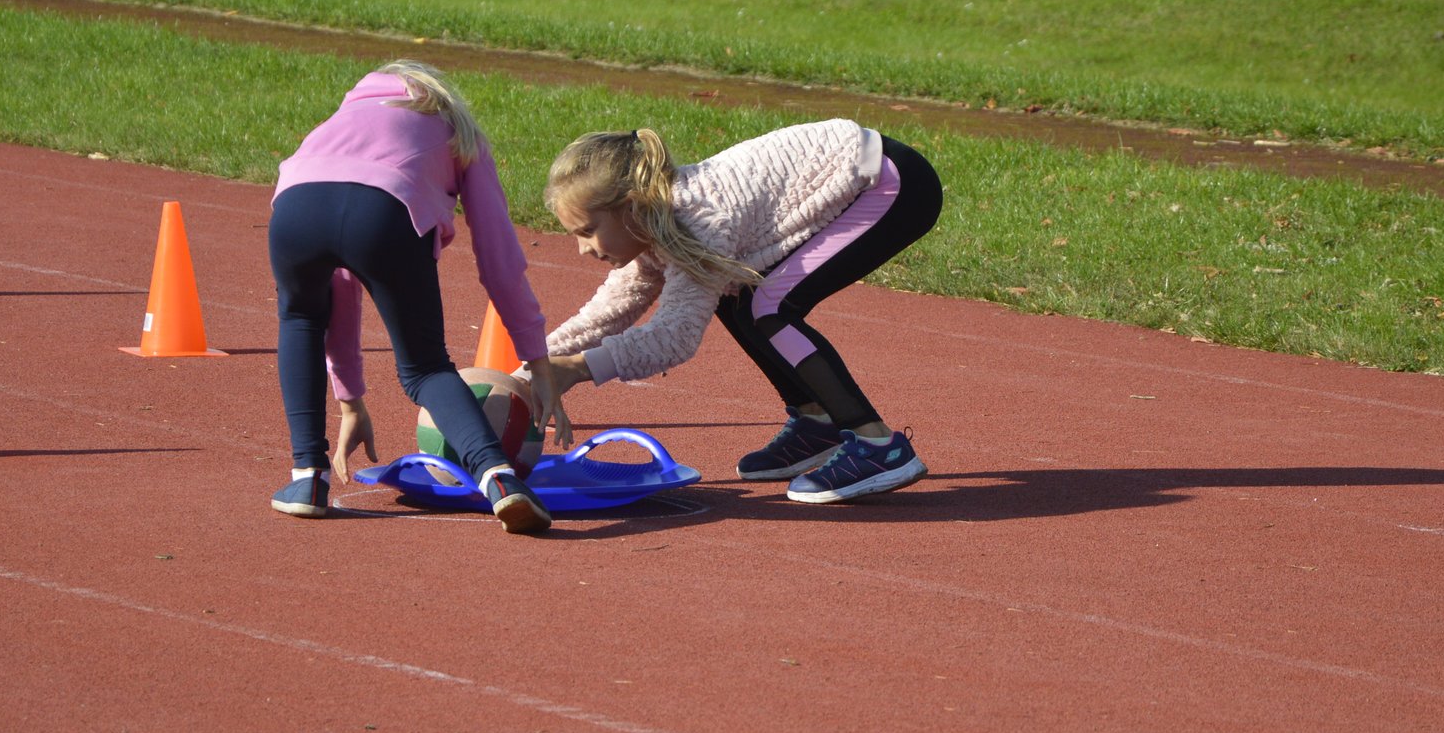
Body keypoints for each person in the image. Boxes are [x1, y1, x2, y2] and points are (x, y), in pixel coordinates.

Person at [537, 120, 941, 502]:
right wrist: (534, 366)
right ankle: (818, 421)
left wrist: (577, 368)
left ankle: (877, 444)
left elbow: (675, 337)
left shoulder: (699, 220)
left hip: (890, 183)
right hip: (864, 175)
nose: (583, 249)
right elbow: (609, 310)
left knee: (769, 308)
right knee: (735, 298)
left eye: (587, 231)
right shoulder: (652, 222)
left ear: (631, 208)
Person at [266, 60, 569, 533]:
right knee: (425, 368)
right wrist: (537, 361)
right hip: (387, 212)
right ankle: (499, 478)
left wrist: (351, 400)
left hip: (294, 207)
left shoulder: (340, 121)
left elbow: (338, 289)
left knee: (301, 319)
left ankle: (307, 477)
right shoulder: (460, 134)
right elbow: (499, 262)